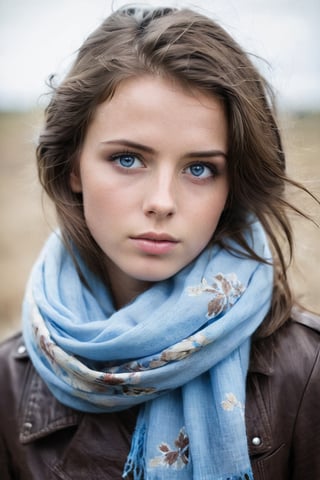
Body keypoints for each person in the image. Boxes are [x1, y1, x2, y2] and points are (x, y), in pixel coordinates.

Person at [0, 5, 319, 480]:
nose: (162, 202)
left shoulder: (308, 372)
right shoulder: (7, 384)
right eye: (128, 159)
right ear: (72, 168)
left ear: (232, 184)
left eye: (199, 169)